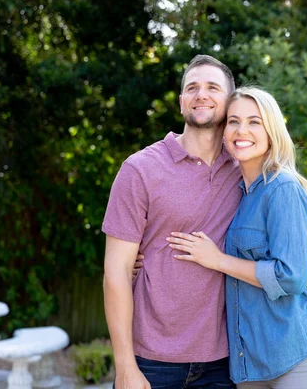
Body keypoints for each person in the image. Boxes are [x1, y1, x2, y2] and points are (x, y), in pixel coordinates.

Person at [166, 87, 307, 389]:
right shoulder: (236, 194)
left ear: (271, 131)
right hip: (249, 367)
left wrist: (218, 260)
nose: (242, 130)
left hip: (294, 358)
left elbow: (291, 277)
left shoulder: (281, 188)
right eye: (233, 121)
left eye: (254, 122)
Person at [102, 54, 242, 389]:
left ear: (229, 101)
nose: (201, 94)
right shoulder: (140, 169)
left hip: (223, 362)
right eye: (192, 87)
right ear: (181, 102)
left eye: (212, 87)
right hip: (152, 361)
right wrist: (125, 367)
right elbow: (116, 271)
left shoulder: (244, 170)